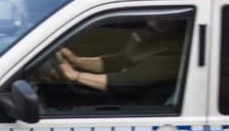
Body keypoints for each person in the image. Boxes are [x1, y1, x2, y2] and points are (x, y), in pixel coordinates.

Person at [54, 15, 186, 103]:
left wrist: (76, 76)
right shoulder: (153, 34)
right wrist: (77, 61)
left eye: (164, 17)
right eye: (153, 15)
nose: (152, 22)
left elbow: (125, 82)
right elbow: (119, 61)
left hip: (145, 108)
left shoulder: (179, 48)